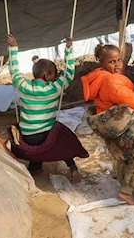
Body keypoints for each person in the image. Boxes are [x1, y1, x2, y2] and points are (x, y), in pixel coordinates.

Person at [81, 43, 134, 205]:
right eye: (112, 62)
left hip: (115, 127)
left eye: (119, 60)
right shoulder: (112, 82)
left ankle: (120, 178)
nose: (117, 64)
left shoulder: (100, 78)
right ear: (101, 63)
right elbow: (132, 101)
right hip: (125, 126)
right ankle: (126, 191)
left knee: (123, 155)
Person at [7, 33, 84, 182]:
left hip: (28, 137)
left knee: (32, 140)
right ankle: (72, 166)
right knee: (64, 139)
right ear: (48, 75)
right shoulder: (55, 88)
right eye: (54, 75)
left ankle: (35, 167)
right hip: (46, 136)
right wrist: (68, 49)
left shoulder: (24, 86)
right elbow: (69, 73)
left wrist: (14, 48)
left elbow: (14, 71)